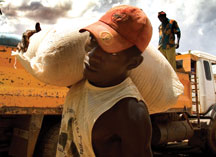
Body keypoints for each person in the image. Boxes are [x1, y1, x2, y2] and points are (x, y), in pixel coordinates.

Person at [56, 5, 153, 157]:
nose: (92, 54)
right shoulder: (80, 82)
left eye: (110, 50)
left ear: (133, 62)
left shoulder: (129, 112)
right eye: (94, 40)